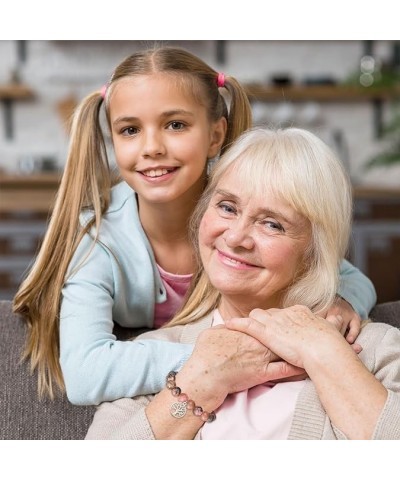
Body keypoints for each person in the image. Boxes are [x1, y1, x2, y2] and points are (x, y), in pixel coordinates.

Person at [13, 46, 376, 406]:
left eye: (175, 125)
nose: (151, 147)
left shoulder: (233, 219)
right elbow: (85, 374)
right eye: (129, 130)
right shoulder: (98, 239)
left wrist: (346, 302)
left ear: (216, 136)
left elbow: (348, 277)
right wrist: (217, 361)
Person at [85, 126, 400, 441]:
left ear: (315, 251)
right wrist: (197, 385)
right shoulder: (151, 357)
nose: (235, 238)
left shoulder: (376, 350)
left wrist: (325, 353)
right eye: (227, 207)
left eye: (272, 224)